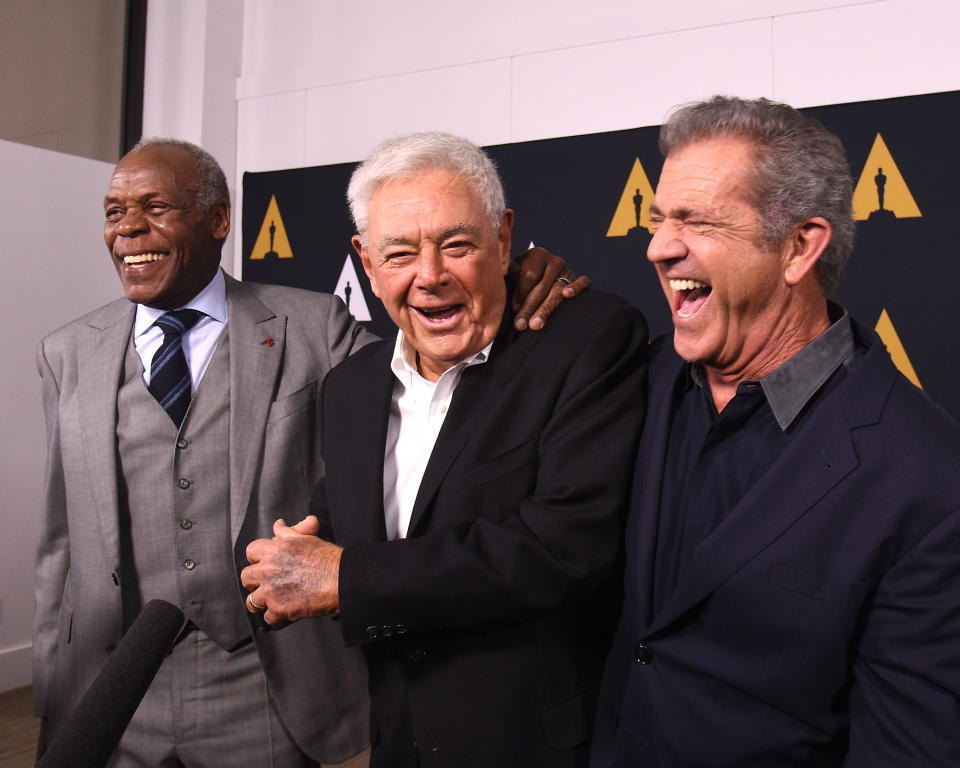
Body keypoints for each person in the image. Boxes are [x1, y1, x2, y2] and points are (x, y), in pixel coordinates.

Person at [34, 137, 582, 767]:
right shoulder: (67, 352)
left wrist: (519, 278)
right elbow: (59, 547)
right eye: (114, 212)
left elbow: (431, 360)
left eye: (156, 207)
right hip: (117, 685)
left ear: (218, 220)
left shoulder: (314, 325)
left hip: (261, 690)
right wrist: (55, 699)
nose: (130, 227)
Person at [241, 132, 649, 768]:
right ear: (367, 263)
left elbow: (564, 546)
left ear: (504, 239)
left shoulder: (589, 341)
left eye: (456, 245)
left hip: (540, 750)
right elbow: (344, 528)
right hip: (400, 745)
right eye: (399, 253)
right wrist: (290, 563)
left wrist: (344, 578)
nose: (429, 277)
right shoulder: (350, 388)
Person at [590, 96, 960, 766]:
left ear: (799, 247)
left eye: (695, 220)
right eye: (659, 219)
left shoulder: (927, 474)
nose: (658, 247)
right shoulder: (640, 380)